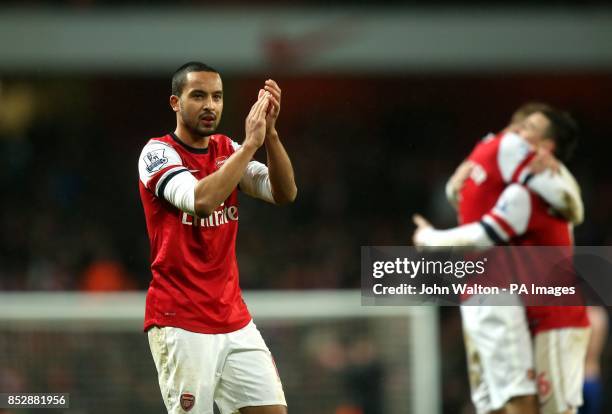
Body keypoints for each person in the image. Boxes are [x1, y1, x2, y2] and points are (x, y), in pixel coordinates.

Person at [138, 62, 297, 414]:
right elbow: (201, 201)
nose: (210, 105)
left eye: (217, 96)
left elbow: (284, 192)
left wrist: (269, 135)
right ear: (175, 103)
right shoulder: (157, 153)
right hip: (180, 318)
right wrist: (250, 145)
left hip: (233, 318)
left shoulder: (228, 149)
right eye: (198, 96)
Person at [413, 107, 590, 414]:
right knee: (500, 400)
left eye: (530, 127)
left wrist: (429, 238)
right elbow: (475, 207)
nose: (518, 130)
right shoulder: (512, 186)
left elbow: (483, 234)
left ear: (545, 148)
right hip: (526, 307)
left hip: (556, 313)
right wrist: (457, 187)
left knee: (545, 406)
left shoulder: (525, 193)